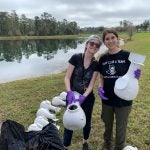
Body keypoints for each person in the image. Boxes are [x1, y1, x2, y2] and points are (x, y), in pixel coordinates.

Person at [96, 29, 141, 150]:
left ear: (117, 38)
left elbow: (135, 73)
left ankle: (119, 146)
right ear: (104, 42)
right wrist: (100, 87)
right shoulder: (103, 58)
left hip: (124, 98)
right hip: (107, 98)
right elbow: (101, 77)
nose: (110, 41)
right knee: (107, 124)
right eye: (107, 39)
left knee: (121, 125)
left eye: (112, 37)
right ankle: (107, 143)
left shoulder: (128, 55)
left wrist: (137, 75)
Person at [63, 35, 102, 150]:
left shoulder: (96, 64)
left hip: (87, 98)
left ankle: (85, 142)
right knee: (69, 120)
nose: (94, 46)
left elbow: (91, 85)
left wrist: (84, 97)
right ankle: (65, 145)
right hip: (72, 96)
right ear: (86, 44)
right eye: (92, 43)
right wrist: (69, 92)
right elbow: (66, 78)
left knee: (87, 120)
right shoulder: (76, 57)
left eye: (97, 45)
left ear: (98, 48)